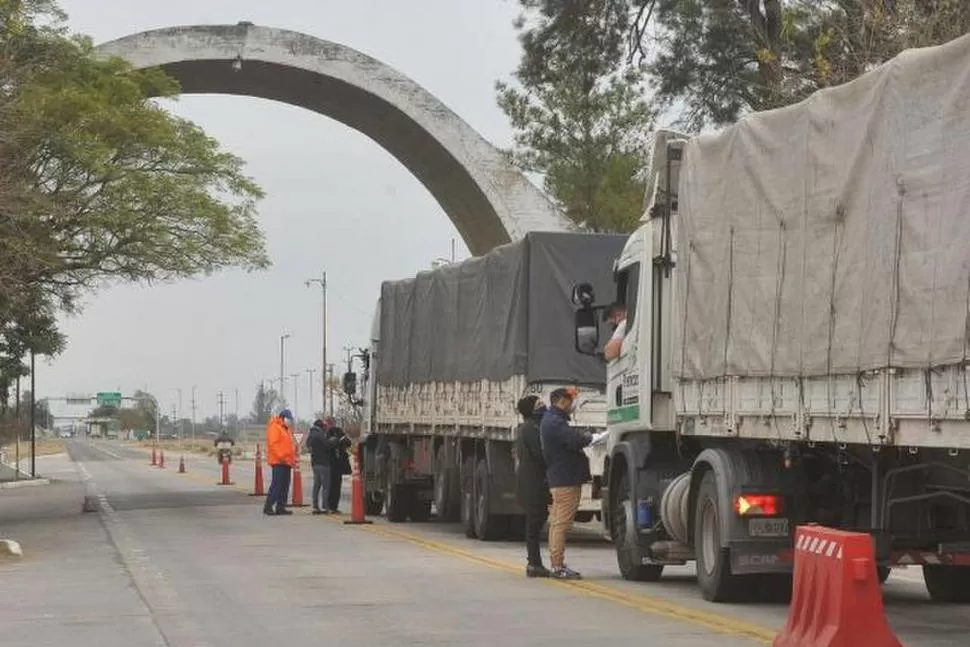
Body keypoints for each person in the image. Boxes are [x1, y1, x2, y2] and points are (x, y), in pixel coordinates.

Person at [539, 387, 593, 579]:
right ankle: (557, 566)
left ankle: (557, 563)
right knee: (561, 524)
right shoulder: (555, 422)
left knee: (557, 523)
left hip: (561, 477)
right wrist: (589, 437)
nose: (573, 405)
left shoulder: (551, 420)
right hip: (565, 479)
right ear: (562, 401)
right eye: (571, 401)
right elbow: (574, 440)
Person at [515, 394, 552, 578]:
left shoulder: (529, 427)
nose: (543, 405)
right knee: (534, 522)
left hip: (532, 480)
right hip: (533, 481)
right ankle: (534, 563)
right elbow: (539, 453)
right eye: (539, 404)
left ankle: (534, 562)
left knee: (536, 520)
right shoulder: (530, 429)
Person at [263, 408, 297, 516]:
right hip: (278, 461)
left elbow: (288, 446)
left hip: (286, 462)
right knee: (277, 485)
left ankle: (281, 507)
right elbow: (273, 444)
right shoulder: (275, 427)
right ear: (283, 418)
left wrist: (291, 459)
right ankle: (268, 506)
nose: (290, 421)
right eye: (288, 419)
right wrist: (281, 456)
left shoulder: (286, 429)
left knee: (284, 485)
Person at [307, 418, 338, 514]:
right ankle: (325, 506)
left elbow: (308, 446)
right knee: (325, 486)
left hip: (315, 463)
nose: (325, 428)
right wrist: (333, 440)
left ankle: (315, 506)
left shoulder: (311, 434)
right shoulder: (320, 434)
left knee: (316, 485)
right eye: (324, 426)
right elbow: (327, 445)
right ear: (320, 426)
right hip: (323, 464)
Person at [325, 419, 352, 512]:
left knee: (336, 486)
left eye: (329, 423)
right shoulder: (326, 433)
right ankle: (329, 505)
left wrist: (341, 441)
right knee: (331, 486)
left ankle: (333, 506)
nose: (329, 425)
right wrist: (335, 442)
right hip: (331, 463)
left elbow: (348, 443)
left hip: (337, 464)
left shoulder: (339, 432)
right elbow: (326, 445)